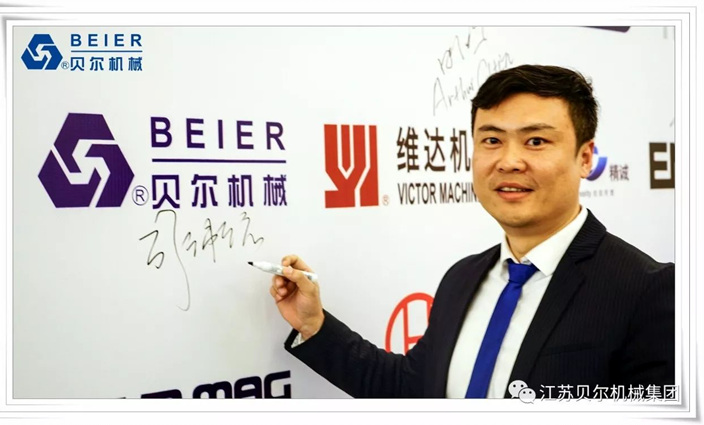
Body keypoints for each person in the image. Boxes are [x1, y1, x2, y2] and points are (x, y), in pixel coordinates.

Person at [268, 64, 675, 399]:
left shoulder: (646, 291)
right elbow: (412, 389)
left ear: (585, 158)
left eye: (535, 141)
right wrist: (314, 324)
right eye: (492, 140)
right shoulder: (463, 278)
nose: (509, 161)